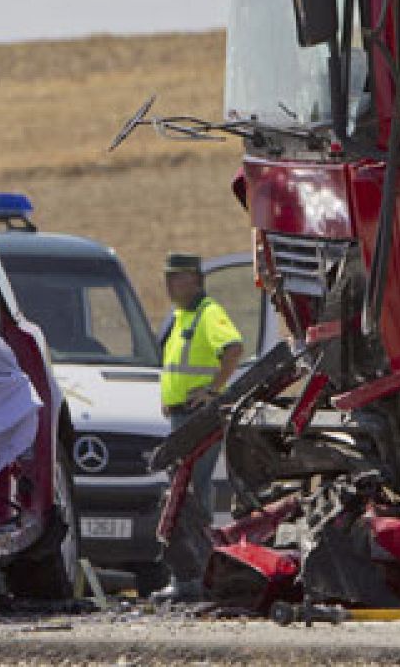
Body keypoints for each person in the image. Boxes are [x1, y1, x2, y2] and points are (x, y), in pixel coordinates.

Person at [152, 252, 243, 602]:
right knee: (182, 496)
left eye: (178, 278)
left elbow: (233, 348)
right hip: (180, 417)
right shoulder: (180, 316)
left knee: (189, 497)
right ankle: (190, 575)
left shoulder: (208, 313)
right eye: (168, 278)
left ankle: (195, 577)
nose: (170, 285)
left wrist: (214, 391)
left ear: (196, 280)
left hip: (195, 419)